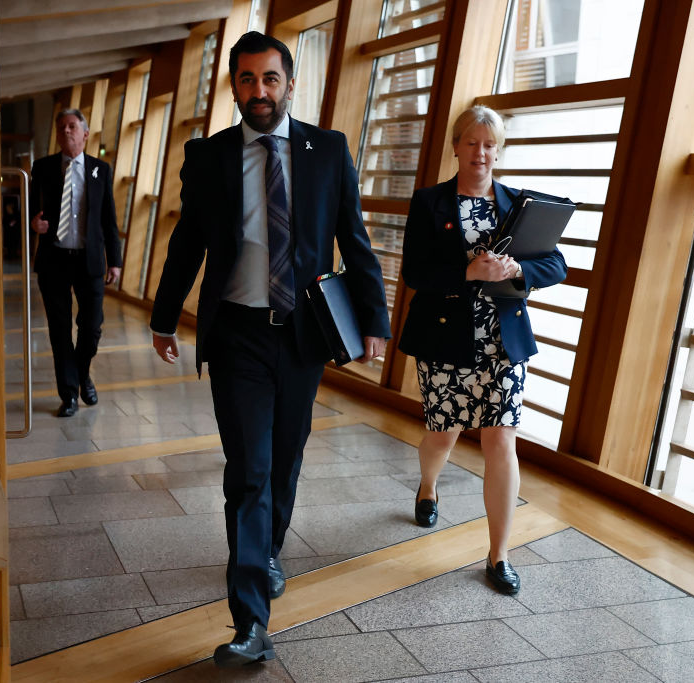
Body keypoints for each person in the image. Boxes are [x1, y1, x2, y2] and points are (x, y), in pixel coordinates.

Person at [150, 32, 390, 667]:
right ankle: (250, 620)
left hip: (304, 335)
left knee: (285, 460)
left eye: (270, 78)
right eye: (248, 79)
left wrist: (375, 319)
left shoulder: (327, 150)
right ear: (234, 86)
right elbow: (187, 242)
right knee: (249, 470)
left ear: (289, 84)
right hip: (238, 336)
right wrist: (164, 318)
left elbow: (355, 238)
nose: (259, 91)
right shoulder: (208, 156)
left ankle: (269, 550)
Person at [398, 106, 567, 596]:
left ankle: (499, 555)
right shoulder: (430, 202)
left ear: (499, 150)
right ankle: (428, 485)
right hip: (445, 338)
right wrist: (468, 273)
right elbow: (415, 273)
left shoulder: (519, 204)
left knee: (501, 440)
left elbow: (556, 264)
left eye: (489, 144)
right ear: (456, 147)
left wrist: (518, 270)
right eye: (471, 142)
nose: (481, 152)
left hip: (502, 341)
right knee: (444, 434)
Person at [30, 108, 122, 417]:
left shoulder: (100, 169)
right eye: (61, 127)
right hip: (54, 260)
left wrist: (115, 261)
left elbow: (109, 218)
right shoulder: (43, 168)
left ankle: (82, 374)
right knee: (59, 330)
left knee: (91, 328)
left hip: (89, 260)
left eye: (71, 126)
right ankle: (69, 395)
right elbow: (31, 208)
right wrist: (33, 223)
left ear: (85, 134)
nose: (66, 131)